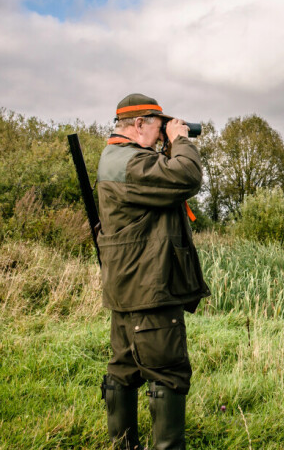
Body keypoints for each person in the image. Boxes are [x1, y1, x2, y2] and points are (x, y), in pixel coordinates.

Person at [96, 93, 210, 449]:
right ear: (140, 123)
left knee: (125, 369)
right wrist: (181, 142)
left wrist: (166, 143)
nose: (163, 133)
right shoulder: (131, 164)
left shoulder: (117, 158)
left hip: (127, 285)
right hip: (150, 286)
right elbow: (187, 177)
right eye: (159, 126)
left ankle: (123, 444)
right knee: (167, 373)